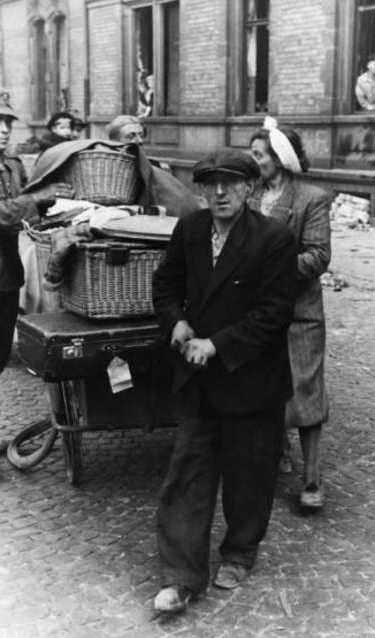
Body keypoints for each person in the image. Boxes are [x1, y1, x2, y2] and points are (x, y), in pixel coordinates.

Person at [152, 149, 297, 613]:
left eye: (231, 183)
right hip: (198, 380)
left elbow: (275, 313)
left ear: (250, 189)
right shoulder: (190, 229)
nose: (219, 193)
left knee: (248, 476)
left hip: (251, 380)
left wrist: (216, 345)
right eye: (210, 183)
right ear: (200, 189)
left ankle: (239, 551)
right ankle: (181, 576)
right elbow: (166, 284)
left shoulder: (272, 238)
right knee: (187, 473)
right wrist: (174, 321)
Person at [0, 88, 74, 482]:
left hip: (6, 277)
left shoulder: (11, 167)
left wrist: (61, 215)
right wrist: (37, 201)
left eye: (9, 122)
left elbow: (25, 215)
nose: (5, 130)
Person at [250, 121, 331, 510]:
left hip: (299, 313)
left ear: (280, 158)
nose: (254, 161)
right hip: (257, 315)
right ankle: (267, 466)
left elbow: (317, 256)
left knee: (306, 393)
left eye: (259, 155)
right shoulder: (250, 196)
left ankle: (312, 481)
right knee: (262, 390)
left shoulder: (311, 198)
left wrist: (267, 271)